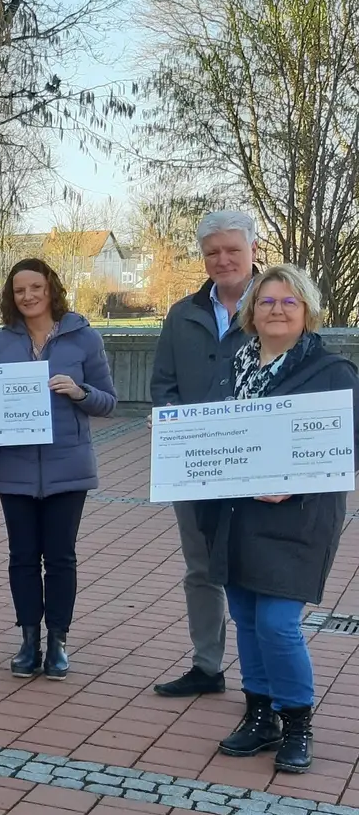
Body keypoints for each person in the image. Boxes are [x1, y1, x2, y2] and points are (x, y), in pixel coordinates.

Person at [193, 264, 351, 774]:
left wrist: (296, 483)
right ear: (250, 313)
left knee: (278, 624)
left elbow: (346, 447)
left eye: (289, 302)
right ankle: (259, 715)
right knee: (244, 617)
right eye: (267, 302)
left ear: (307, 312)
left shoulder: (331, 372)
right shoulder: (232, 365)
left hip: (296, 518)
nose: (277, 310)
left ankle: (298, 721)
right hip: (235, 513)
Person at [0, 258, 116, 681]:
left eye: (35, 287)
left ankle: (57, 640)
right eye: (19, 291)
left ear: (51, 288)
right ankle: (28, 640)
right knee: (21, 557)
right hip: (14, 468)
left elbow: (109, 402)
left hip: (67, 467)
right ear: (11, 296)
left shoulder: (83, 338)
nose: (28, 296)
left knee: (60, 558)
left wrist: (80, 392)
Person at [150, 211, 256, 698]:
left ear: (253, 249)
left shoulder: (278, 303)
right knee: (200, 569)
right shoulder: (181, 314)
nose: (222, 259)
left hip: (259, 464)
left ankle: (265, 677)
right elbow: (163, 386)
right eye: (212, 251)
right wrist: (176, 425)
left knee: (258, 570)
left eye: (232, 249)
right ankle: (207, 666)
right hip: (195, 465)